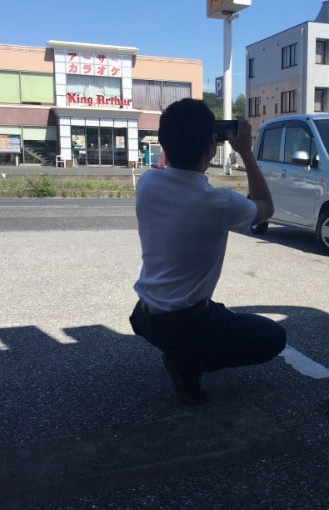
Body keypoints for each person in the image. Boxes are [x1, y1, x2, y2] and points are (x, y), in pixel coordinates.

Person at [129, 98, 286, 405]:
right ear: (211, 148)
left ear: (164, 142)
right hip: (186, 324)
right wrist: (245, 152)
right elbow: (266, 208)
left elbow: (184, 182)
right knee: (273, 338)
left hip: (145, 317)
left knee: (210, 317)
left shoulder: (147, 183)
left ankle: (184, 352)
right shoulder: (219, 203)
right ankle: (189, 360)